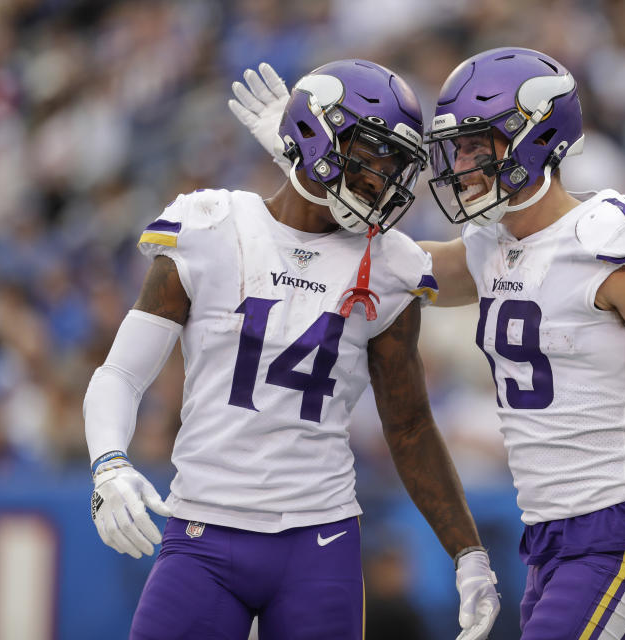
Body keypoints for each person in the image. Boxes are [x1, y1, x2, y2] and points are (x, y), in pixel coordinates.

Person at [232, 48, 625, 639]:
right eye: (454, 147)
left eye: (474, 145)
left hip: (623, 534)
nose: (459, 163)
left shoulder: (602, 243)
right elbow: (388, 265)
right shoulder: (489, 247)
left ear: (536, 140)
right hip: (548, 541)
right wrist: (312, 166)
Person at [84, 59, 499, 640]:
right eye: (371, 155)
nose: (383, 179)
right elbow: (121, 374)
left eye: (394, 164)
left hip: (319, 540)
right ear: (316, 136)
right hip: (204, 527)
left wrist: (469, 553)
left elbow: (409, 427)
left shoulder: (389, 264)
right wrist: (108, 463)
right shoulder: (212, 226)